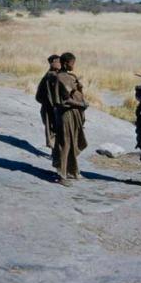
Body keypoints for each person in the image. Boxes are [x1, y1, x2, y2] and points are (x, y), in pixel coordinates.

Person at [51, 52, 88, 186]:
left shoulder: (70, 76)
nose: (74, 65)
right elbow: (65, 100)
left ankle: (72, 170)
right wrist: (81, 104)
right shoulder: (60, 78)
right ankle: (62, 175)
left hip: (74, 113)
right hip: (65, 114)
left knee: (72, 141)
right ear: (66, 63)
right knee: (64, 143)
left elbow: (76, 92)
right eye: (72, 63)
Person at [35, 54, 61, 149]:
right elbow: (40, 96)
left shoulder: (56, 74)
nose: (60, 64)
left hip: (53, 108)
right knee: (52, 129)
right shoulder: (51, 75)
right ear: (52, 63)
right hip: (49, 108)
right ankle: (54, 151)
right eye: (58, 61)